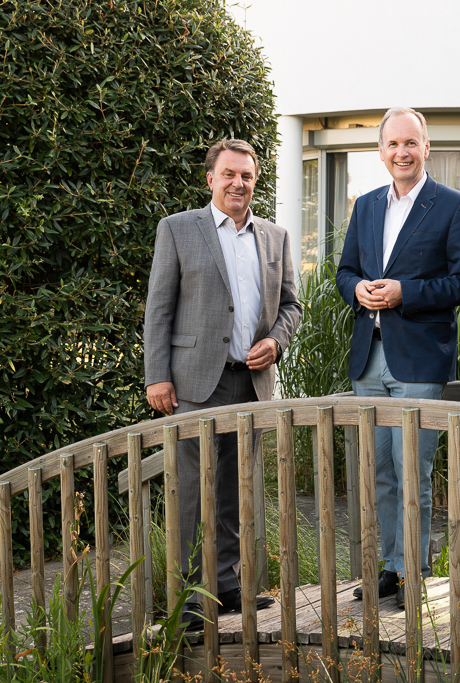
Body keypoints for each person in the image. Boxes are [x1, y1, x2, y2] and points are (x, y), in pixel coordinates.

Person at [143, 139, 302, 629]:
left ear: (255, 181)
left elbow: (291, 305)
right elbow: (158, 308)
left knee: (236, 486)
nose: (238, 183)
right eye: (229, 174)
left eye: (247, 176)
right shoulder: (177, 229)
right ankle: (190, 597)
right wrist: (157, 376)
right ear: (210, 179)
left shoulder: (274, 236)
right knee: (192, 490)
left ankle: (228, 586)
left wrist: (276, 341)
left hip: (249, 383)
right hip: (194, 383)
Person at [336, 107, 460, 609]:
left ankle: (413, 573)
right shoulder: (366, 206)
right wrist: (357, 290)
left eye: (411, 143)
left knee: (412, 473)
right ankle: (389, 566)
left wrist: (407, 293)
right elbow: (345, 271)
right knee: (378, 472)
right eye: (393, 144)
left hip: (420, 360)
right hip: (369, 359)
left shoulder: (454, 206)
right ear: (381, 151)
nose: (402, 152)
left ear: (426, 148)